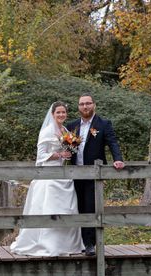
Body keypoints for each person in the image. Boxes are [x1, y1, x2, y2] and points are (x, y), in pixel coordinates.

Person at [10, 102, 85, 257]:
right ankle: (48, 244)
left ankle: (68, 244)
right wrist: (59, 155)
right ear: (52, 114)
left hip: (63, 173)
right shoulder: (46, 131)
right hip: (49, 175)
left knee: (67, 207)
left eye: (63, 112)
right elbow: (40, 155)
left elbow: (72, 149)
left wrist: (70, 150)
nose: (61, 115)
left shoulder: (65, 130)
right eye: (58, 112)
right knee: (50, 206)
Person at [66, 94, 124, 256]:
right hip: (75, 173)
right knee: (77, 207)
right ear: (78, 107)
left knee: (91, 207)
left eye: (88, 103)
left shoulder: (103, 124)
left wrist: (117, 159)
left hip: (94, 173)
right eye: (82, 104)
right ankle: (78, 242)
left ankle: (90, 243)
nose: (85, 106)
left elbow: (112, 142)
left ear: (94, 105)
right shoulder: (72, 126)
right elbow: (68, 147)